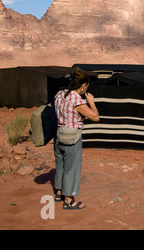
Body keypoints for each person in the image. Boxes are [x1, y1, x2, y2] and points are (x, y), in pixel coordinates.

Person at [53, 68, 99, 210]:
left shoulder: (60, 94)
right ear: (83, 85)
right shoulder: (76, 100)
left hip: (59, 133)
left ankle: (59, 192)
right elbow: (95, 117)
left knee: (60, 164)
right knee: (71, 168)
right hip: (72, 135)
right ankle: (69, 200)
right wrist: (91, 102)